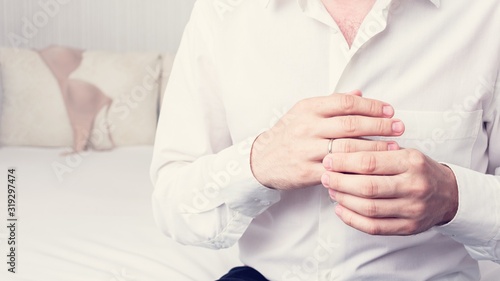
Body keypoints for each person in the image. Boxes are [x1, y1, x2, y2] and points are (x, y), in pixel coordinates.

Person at [150, 0, 500, 280]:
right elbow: (173, 203)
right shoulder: (222, 10)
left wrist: (454, 198)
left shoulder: (487, 14)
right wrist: (256, 163)